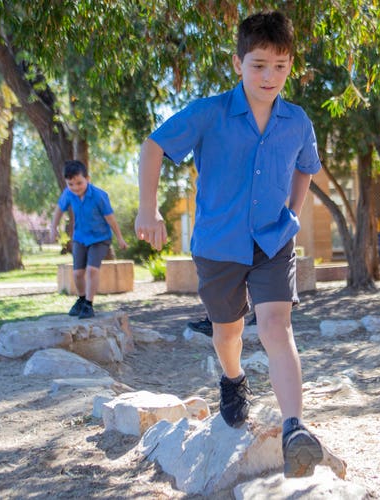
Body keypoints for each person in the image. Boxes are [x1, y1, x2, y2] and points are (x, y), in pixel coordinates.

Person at [135, 11, 323, 478]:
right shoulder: (209, 112)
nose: (269, 76)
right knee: (229, 331)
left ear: (290, 66)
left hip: (273, 238)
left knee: (277, 325)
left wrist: (294, 213)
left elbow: (307, 167)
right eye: (258, 64)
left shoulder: (297, 121)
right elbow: (153, 146)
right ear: (238, 62)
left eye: (280, 66)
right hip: (218, 243)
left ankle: (295, 428)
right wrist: (147, 208)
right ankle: (233, 378)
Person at [51, 160, 127, 319]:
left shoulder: (99, 196)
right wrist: (53, 228)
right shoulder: (68, 194)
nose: (75, 187)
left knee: (92, 270)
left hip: (100, 238)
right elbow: (58, 210)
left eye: (79, 183)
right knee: (78, 273)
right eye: (71, 184)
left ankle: (89, 304)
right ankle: (81, 299)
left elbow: (110, 218)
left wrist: (120, 238)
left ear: (88, 179)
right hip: (80, 238)